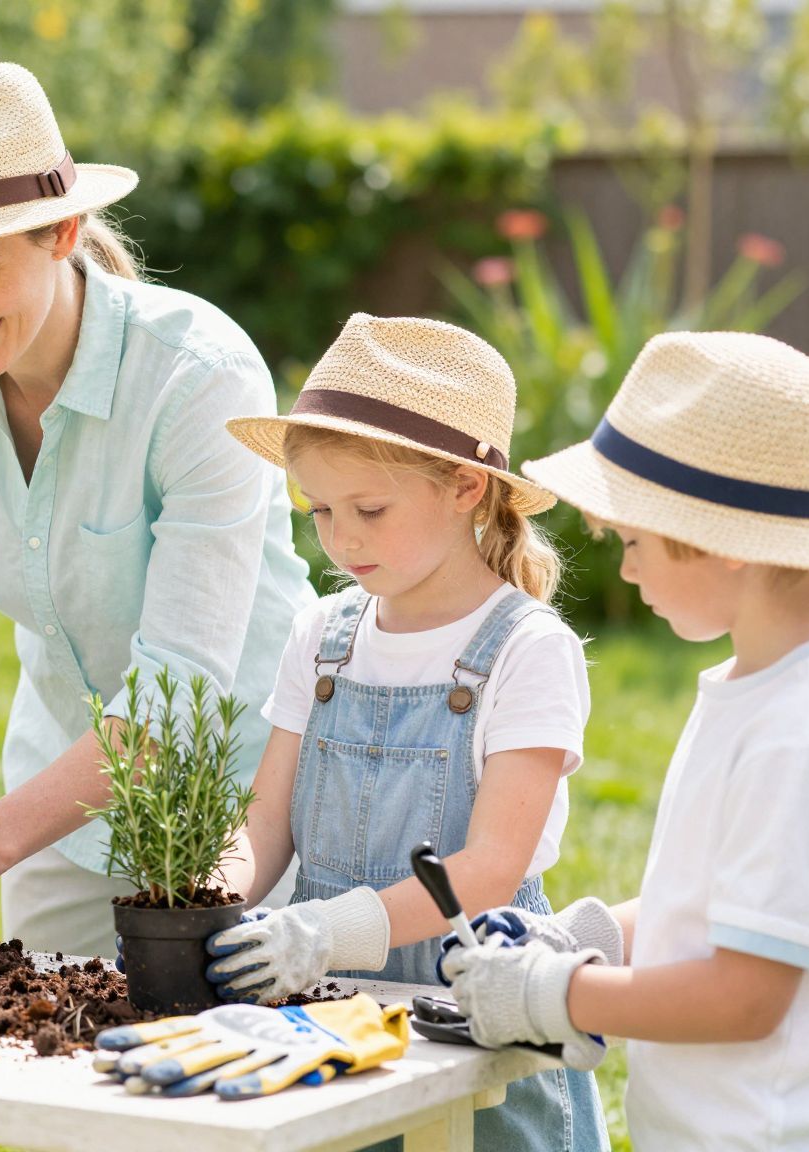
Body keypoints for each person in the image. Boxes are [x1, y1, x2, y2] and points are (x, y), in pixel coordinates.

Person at [0, 62, 315, 958]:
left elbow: (179, 695)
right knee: (46, 1086)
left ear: (62, 231)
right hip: (63, 810)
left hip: (249, 805)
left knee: (225, 1078)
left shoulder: (199, 378)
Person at [440, 331, 809, 1150]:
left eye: (632, 543)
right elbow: (721, 908)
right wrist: (589, 936)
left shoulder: (804, 739)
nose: (627, 571)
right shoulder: (764, 688)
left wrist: (556, 992)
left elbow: (743, 998)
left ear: (719, 544)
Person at [208, 313, 609, 1150]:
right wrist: (206, 905)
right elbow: (264, 823)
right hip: (326, 1016)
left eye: (370, 508)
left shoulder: (527, 649)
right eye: (319, 509)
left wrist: (327, 931)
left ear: (466, 487)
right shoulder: (322, 635)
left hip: (476, 1009)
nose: (341, 537)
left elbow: (492, 868)